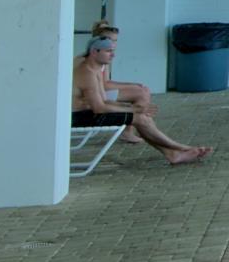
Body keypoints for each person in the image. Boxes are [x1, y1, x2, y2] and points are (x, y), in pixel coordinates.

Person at [74, 23, 211, 165]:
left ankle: (173, 153)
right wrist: (134, 109)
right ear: (94, 52)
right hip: (78, 117)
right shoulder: (86, 71)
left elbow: (103, 101)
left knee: (141, 117)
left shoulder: (94, 67)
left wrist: (132, 108)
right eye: (108, 51)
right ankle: (182, 148)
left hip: (88, 112)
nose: (113, 54)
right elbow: (99, 108)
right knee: (140, 118)